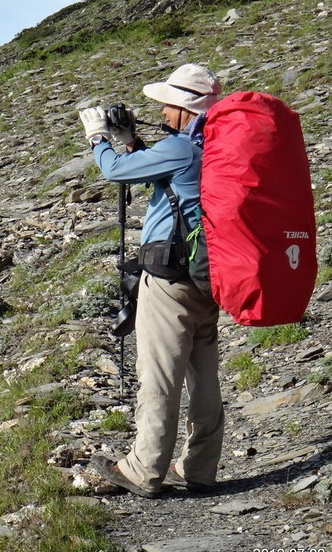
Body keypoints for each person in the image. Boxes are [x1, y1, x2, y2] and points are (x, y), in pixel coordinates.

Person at [79, 64, 224, 499]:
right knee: (204, 378)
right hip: (206, 275)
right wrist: (133, 143)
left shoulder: (181, 148)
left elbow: (115, 173)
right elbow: (166, 177)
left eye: (167, 103)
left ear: (184, 108)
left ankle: (144, 469)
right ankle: (199, 468)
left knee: (159, 374)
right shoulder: (209, 146)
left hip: (168, 280)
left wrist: (99, 139)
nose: (161, 109)